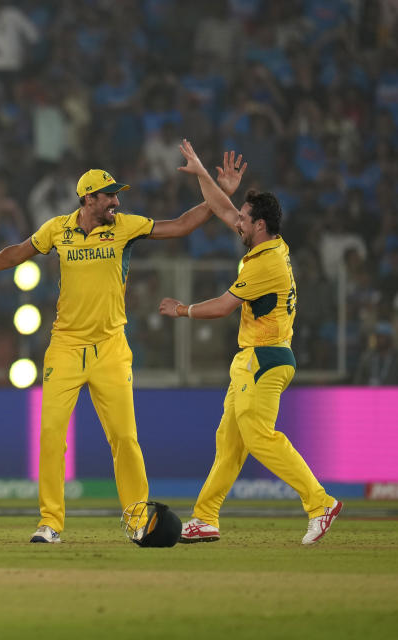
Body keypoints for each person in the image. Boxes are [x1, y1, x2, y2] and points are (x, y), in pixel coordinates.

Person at [0, 156, 246, 543]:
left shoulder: (125, 227)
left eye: (116, 196)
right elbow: (17, 253)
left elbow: (180, 225)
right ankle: (50, 522)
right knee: (50, 435)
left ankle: (137, 519)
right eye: (108, 196)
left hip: (111, 347)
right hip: (64, 346)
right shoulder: (57, 230)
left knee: (124, 438)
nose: (116, 202)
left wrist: (219, 197)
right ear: (87, 199)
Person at [159, 139, 342, 546]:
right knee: (230, 443)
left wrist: (183, 310)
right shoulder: (271, 245)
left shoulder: (266, 264)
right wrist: (207, 174)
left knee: (258, 435)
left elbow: (224, 306)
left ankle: (320, 502)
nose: (236, 222)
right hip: (254, 358)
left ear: (259, 225)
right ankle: (205, 518)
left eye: (244, 218)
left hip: (265, 358)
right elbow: (223, 209)